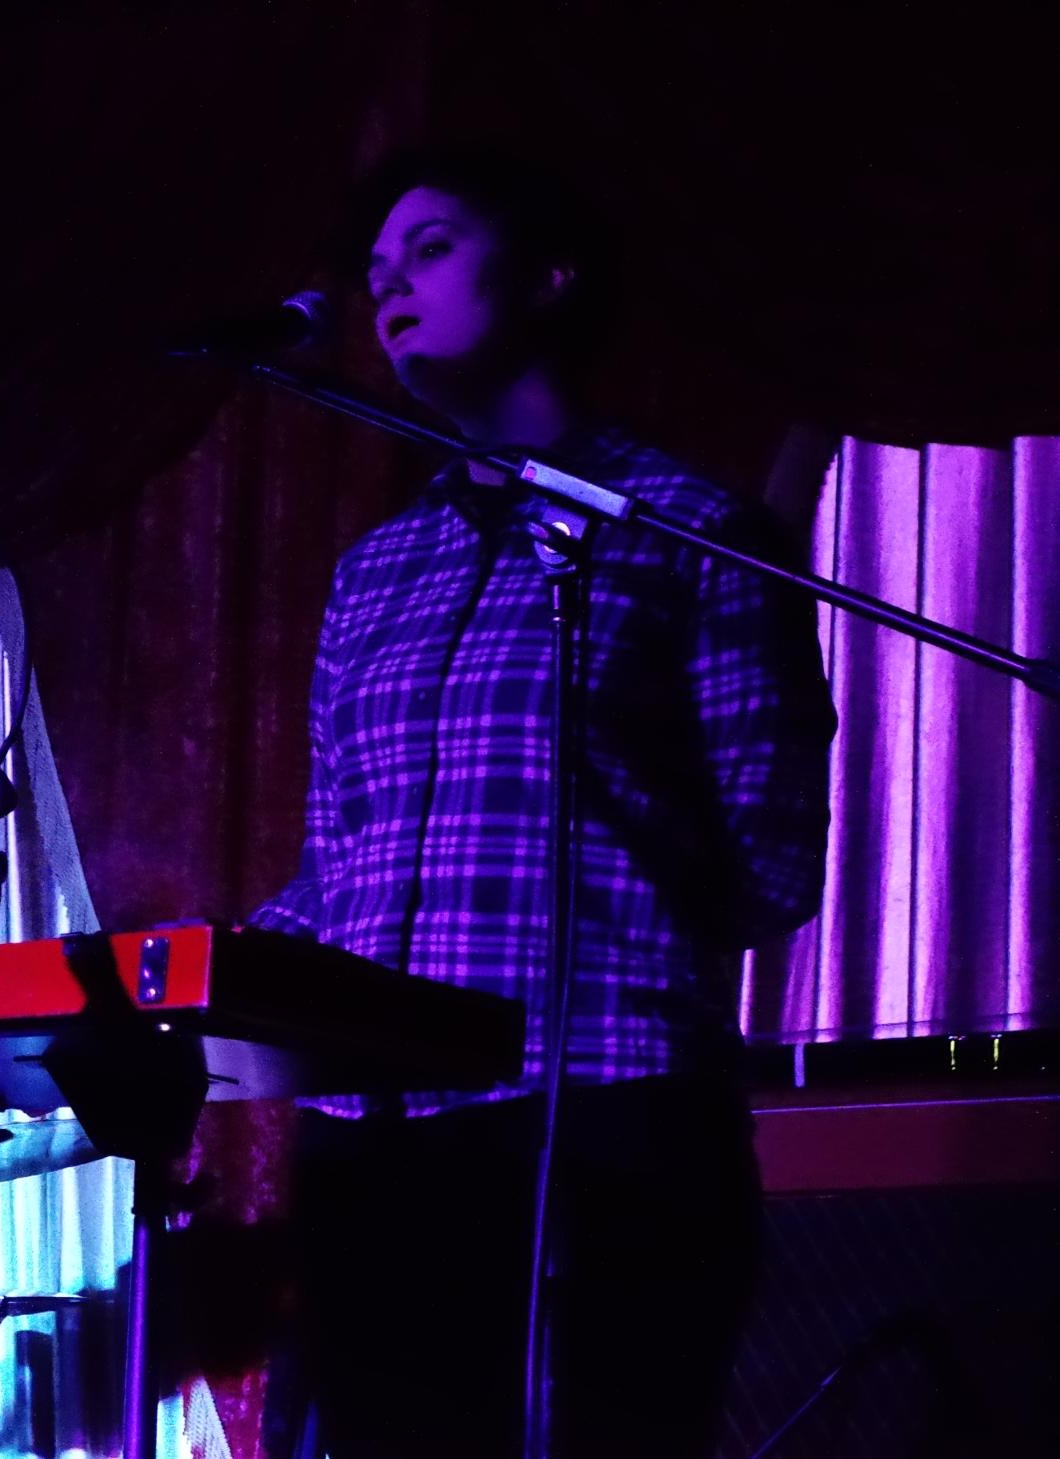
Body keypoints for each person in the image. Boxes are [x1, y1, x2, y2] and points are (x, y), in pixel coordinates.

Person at [251, 150, 838, 1457]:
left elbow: (772, 859)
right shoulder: (374, 570)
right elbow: (336, 859)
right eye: (375, 268)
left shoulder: (691, 530)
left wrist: (600, 930)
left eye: (432, 247)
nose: (389, 285)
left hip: (609, 1115)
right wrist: (182, 981)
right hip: (379, 1135)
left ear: (550, 275)